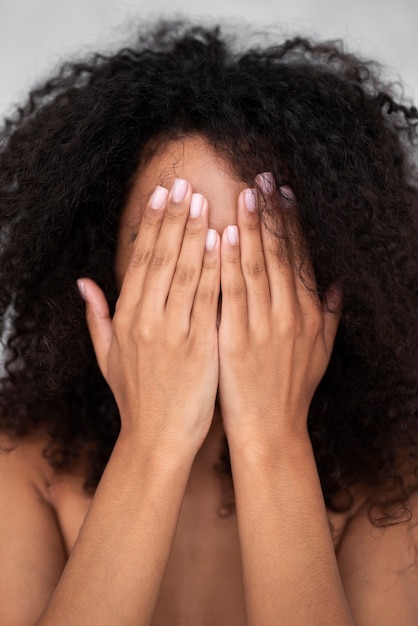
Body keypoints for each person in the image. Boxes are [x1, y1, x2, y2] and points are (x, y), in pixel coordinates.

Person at [0, 19, 417, 626]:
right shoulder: (19, 461)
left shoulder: (393, 479)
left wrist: (272, 440)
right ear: (101, 274)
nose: (216, 291)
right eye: (171, 250)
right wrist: (152, 444)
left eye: (259, 256)